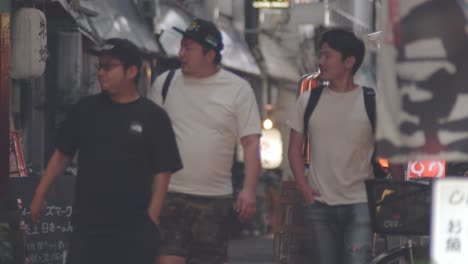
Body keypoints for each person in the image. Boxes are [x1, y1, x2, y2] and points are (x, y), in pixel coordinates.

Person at [30, 38, 182, 264]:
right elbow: (63, 154)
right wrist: (40, 193)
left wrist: (153, 215)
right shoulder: (85, 110)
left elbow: (163, 170)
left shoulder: (153, 117)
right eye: (99, 66)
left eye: (108, 67)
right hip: (88, 227)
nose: (101, 72)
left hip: (134, 229)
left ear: (132, 71)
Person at [149, 18, 261, 264]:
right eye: (181, 46)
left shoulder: (238, 89)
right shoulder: (164, 84)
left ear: (210, 54)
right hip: (170, 194)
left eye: (189, 48)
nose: (181, 53)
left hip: (215, 199)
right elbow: (150, 139)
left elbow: (251, 142)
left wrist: (249, 190)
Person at [288, 28, 404, 264]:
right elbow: (294, 149)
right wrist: (304, 188)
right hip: (319, 204)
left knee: (357, 260)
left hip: (360, 203)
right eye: (320, 55)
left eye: (328, 56)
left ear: (349, 61)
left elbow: (391, 153)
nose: (321, 62)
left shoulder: (371, 102)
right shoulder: (308, 100)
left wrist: (400, 193)